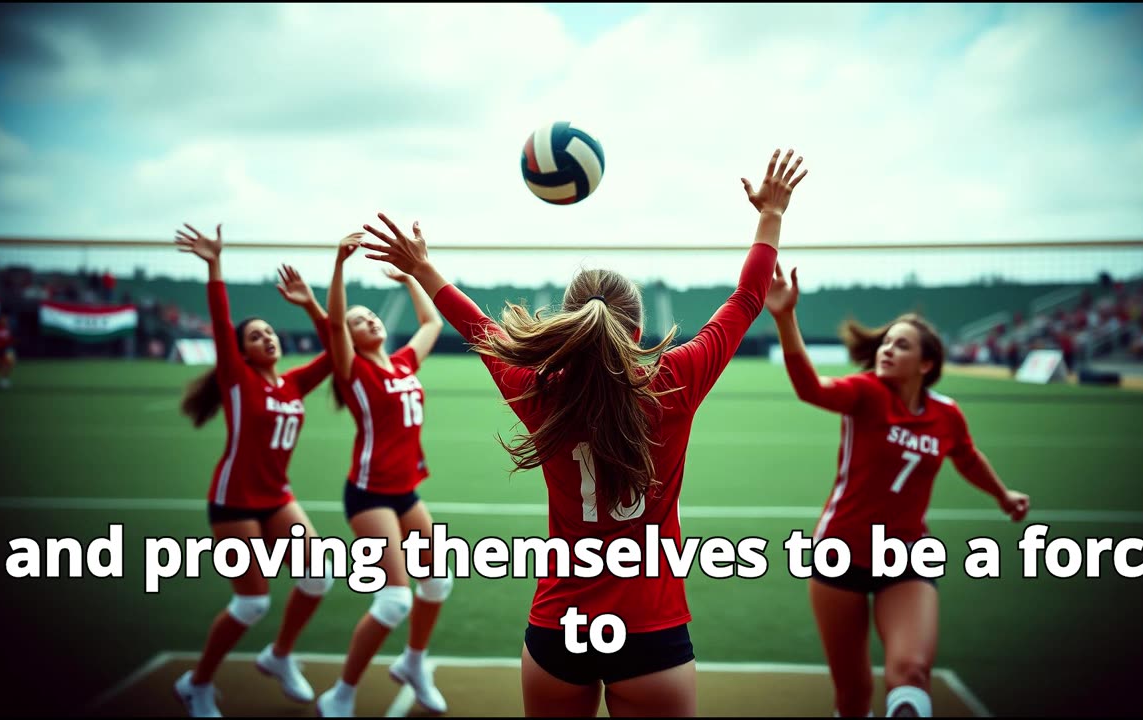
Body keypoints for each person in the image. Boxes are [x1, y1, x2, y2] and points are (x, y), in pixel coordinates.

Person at [357, 148, 807, 717]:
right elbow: (746, 300)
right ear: (639, 329)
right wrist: (771, 216)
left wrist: (424, 268)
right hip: (651, 627)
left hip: (559, 626)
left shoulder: (539, 391)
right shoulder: (676, 378)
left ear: (568, 323)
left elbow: (479, 327)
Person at [765, 271, 1031, 718]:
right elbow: (810, 389)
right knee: (852, 697)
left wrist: (1003, 495)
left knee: (910, 672)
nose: (887, 349)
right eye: (886, 342)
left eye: (901, 345)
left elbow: (967, 458)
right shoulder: (866, 393)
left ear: (926, 364)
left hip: (907, 555)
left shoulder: (946, 414)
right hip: (841, 553)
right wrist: (786, 316)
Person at [171, 223, 338, 717]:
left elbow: (337, 352)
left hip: (277, 497)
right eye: (255, 335)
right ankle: (197, 683)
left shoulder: (291, 384)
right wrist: (214, 265)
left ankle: (279, 655)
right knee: (252, 604)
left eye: (269, 331)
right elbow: (222, 324)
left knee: (319, 577)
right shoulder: (239, 380)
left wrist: (310, 304)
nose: (266, 338)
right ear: (241, 352)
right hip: (235, 500)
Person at [315, 236, 450, 716]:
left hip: (405, 492)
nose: (368, 319)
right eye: (358, 320)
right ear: (348, 339)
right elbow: (333, 321)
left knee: (437, 583)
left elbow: (432, 321)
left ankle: (414, 664)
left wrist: (411, 276)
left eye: (371, 315)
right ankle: (341, 695)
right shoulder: (353, 372)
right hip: (370, 496)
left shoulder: (402, 363)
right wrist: (338, 267)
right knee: (394, 600)